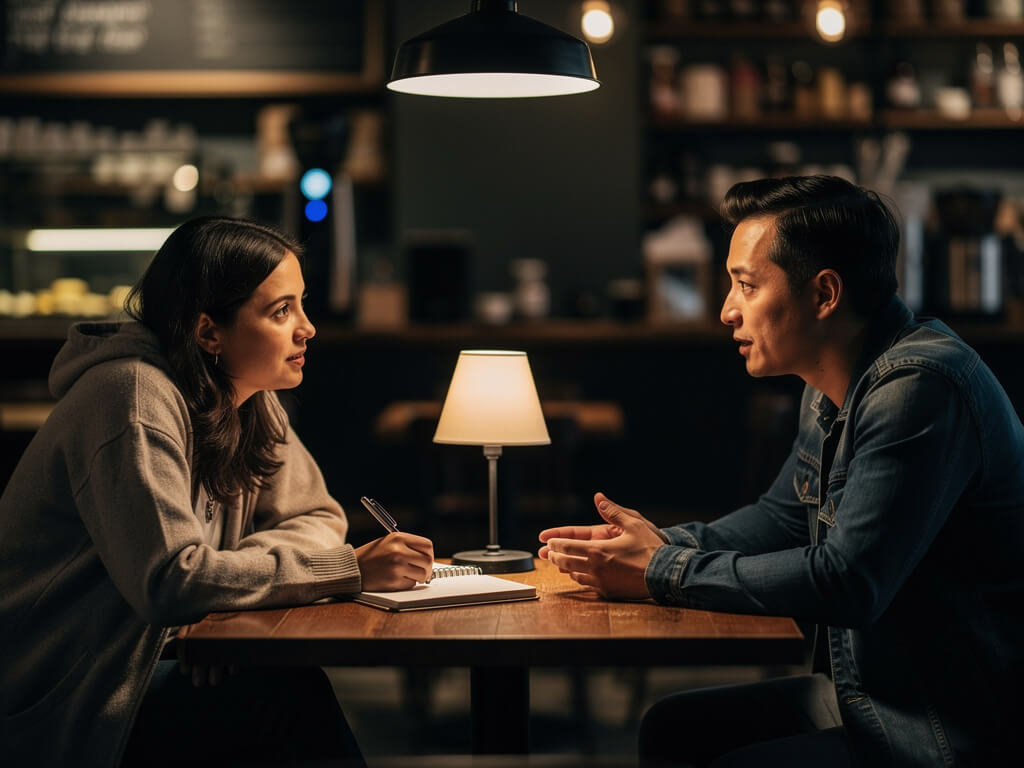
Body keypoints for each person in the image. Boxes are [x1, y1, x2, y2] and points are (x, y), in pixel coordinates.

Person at [539, 176, 1024, 767]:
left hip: (942, 731)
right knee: (674, 728)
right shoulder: (831, 385)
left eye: (746, 285)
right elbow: (783, 519)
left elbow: (850, 581)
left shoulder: (920, 387)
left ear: (824, 294)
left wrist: (661, 569)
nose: (725, 311)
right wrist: (649, 545)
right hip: (872, 701)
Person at [0, 217, 435, 766]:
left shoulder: (246, 396)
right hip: (70, 691)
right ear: (208, 331)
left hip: (151, 659)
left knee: (281, 691)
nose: (308, 329)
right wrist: (346, 570)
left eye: (301, 305)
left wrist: (219, 615)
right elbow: (172, 581)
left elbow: (317, 516)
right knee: (284, 699)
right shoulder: (132, 398)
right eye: (282, 311)